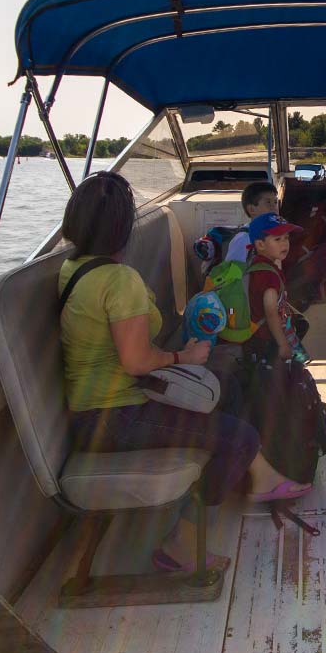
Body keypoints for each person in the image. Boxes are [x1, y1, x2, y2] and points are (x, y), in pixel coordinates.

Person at [58, 173, 311, 572]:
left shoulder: (74, 269)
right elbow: (137, 362)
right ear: (123, 227)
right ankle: (179, 544)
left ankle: (260, 475)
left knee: (226, 389)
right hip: (115, 416)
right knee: (238, 437)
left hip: (96, 411)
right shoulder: (118, 280)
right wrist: (185, 358)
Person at [243, 213, 310, 369]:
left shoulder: (255, 265)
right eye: (277, 239)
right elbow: (271, 311)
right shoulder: (268, 275)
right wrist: (283, 344)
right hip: (267, 340)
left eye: (286, 238)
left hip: (258, 337)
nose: (284, 244)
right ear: (260, 245)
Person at [224, 181, 279, 262]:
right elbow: (233, 273)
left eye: (275, 202)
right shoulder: (243, 239)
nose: (274, 208)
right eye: (268, 202)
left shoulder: (275, 235)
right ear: (251, 209)